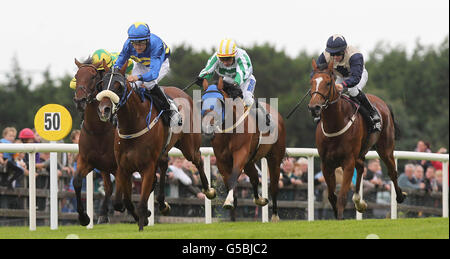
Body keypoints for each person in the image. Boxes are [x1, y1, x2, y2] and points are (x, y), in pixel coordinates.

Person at [113, 22, 181, 128]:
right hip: (141, 63)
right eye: (135, 43)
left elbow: (153, 74)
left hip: (159, 64)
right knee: (132, 86)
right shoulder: (128, 45)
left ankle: (171, 111)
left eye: (141, 43)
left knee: (149, 84)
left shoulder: (156, 44)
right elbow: (120, 61)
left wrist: (138, 77)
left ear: (148, 39)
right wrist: (114, 71)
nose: (138, 47)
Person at [197, 38, 272, 127]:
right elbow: (208, 70)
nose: (225, 62)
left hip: (245, 80)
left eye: (228, 59)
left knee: (247, 100)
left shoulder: (242, 56)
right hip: (227, 80)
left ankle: (265, 116)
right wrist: (201, 77)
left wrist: (236, 83)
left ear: (234, 55)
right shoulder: (216, 57)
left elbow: (241, 73)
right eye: (222, 59)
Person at [313, 34, 381, 132]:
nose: (335, 57)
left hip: (358, 75)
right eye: (333, 54)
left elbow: (355, 78)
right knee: (331, 93)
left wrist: (343, 85)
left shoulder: (355, 56)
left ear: (344, 50)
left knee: (352, 90)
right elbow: (316, 72)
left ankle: (372, 112)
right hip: (341, 77)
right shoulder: (325, 55)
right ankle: (322, 114)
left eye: (338, 54)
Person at [70, 49, 134, 89]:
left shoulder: (119, 61)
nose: (102, 73)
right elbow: (72, 84)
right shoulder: (90, 67)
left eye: (103, 70)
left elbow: (131, 65)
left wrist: (129, 77)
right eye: (99, 71)